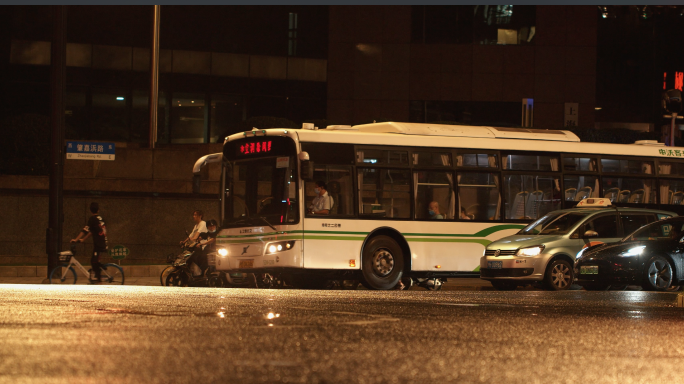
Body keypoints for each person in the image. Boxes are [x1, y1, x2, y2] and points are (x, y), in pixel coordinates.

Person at [71, 202, 108, 283]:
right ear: (98, 210)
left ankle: (99, 280)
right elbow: (92, 232)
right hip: (103, 243)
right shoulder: (101, 218)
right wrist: (83, 239)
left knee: (94, 261)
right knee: (95, 261)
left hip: (99, 245)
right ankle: (100, 270)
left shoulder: (92, 219)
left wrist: (76, 239)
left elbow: (85, 230)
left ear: (90, 211)